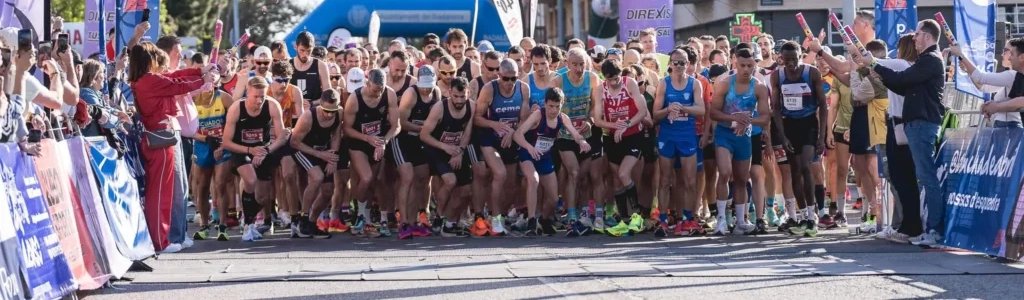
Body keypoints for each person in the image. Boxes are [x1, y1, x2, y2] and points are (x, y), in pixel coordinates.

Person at [861, 20, 947, 246]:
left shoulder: (930, 60)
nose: (914, 38)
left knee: (927, 178)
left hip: (922, 124)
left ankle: (935, 231)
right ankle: (922, 228)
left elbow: (903, 79)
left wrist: (876, 65)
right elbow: (903, 86)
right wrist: (881, 75)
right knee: (920, 177)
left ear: (927, 37)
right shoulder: (924, 61)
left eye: (917, 34)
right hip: (915, 124)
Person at [128, 42, 217, 252]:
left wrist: (200, 72)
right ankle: (160, 240)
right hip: (159, 138)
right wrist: (203, 79)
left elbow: (176, 78)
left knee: (163, 191)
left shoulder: (146, 79)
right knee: (159, 193)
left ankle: (163, 237)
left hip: (160, 136)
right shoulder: (149, 80)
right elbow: (179, 84)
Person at [220, 76, 290, 242]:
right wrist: (250, 150)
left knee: (263, 197)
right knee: (250, 180)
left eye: (262, 96)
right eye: (255, 97)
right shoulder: (237, 108)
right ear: (247, 93)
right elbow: (226, 142)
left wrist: (265, 151)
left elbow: (281, 137)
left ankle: (250, 220)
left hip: (263, 148)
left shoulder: (272, 105)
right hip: (241, 148)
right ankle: (247, 225)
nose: (259, 101)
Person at [514, 87, 590, 236]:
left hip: (544, 156)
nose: (553, 110)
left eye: (557, 106)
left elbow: (575, 134)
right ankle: (531, 221)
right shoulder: (538, 115)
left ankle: (543, 220)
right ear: (545, 103)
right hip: (528, 153)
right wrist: (529, 147)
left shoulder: (563, 118)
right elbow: (517, 135)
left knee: (554, 199)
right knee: (533, 180)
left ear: (561, 105)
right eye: (550, 106)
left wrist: (582, 142)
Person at [771, 41, 828, 237]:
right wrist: (782, 135)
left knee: (806, 166)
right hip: (789, 125)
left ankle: (813, 217)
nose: (791, 64)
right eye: (787, 60)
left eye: (794, 59)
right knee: (794, 171)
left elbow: (823, 105)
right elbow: (776, 108)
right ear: (781, 58)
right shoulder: (776, 76)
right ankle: (803, 216)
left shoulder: (812, 73)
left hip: (809, 123)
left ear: (800, 56)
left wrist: (822, 136)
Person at [592, 59, 650, 236]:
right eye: (610, 79)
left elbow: (643, 111)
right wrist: (614, 126)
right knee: (617, 179)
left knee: (625, 173)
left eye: (616, 78)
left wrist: (625, 124)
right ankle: (624, 220)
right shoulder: (601, 89)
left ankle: (637, 216)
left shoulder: (629, 83)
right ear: (604, 77)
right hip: (613, 137)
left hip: (633, 135)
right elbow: (597, 119)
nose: (614, 82)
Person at [653, 48, 705, 236]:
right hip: (667, 135)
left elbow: (701, 110)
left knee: (690, 180)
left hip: (687, 136)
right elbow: (655, 114)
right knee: (665, 180)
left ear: (688, 64)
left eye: (682, 62)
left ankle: (688, 220)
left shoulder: (695, 84)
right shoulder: (663, 84)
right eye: (675, 62)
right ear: (669, 64)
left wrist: (682, 108)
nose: (678, 66)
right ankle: (664, 221)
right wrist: (669, 109)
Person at [343, 68, 401, 237]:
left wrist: (384, 141)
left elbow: (396, 126)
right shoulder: (355, 98)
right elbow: (346, 128)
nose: (378, 94)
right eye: (375, 90)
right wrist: (366, 139)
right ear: (367, 84)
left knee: (377, 180)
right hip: (359, 140)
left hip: (378, 140)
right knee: (366, 177)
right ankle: (360, 214)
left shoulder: (389, 94)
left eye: (381, 90)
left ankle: (378, 217)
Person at [550, 48, 602, 230]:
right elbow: (551, 109)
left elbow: (596, 105)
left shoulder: (593, 78)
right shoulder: (558, 81)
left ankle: (583, 212)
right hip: (565, 135)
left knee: (584, 176)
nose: (579, 68)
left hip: (587, 134)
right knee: (573, 173)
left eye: (582, 64)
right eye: (574, 64)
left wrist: (591, 120)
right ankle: (571, 214)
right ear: (567, 64)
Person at [475, 58, 530, 230]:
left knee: (511, 183)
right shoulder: (489, 89)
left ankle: (499, 213)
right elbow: (477, 118)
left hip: (511, 138)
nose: (509, 83)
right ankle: (495, 218)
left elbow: (525, 119)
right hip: (490, 138)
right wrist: (494, 124)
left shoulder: (523, 89)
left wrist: (513, 132)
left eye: (513, 78)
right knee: (500, 174)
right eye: (505, 79)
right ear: (498, 76)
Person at [420, 77, 475, 237]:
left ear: (468, 93)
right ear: (449, 92)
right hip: (438, 149)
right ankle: (439, 216)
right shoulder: (439, 108)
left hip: (457, 149)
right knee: (450, 181)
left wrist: (460, 151)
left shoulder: (471, 106)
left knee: (467, 192)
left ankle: (450, 224)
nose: (459, 100)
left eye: (462, 96)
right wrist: (445, 147)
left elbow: (467, 132)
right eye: (456, 96)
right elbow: (424, 134)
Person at [289, 89, 344, 239]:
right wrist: (321, 155)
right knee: (317, 177)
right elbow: (294, 142)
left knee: (328, 191)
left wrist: (333, 156)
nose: (329, 115)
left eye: (332, 111)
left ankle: (312, 222)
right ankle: (303, 217)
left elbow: (336, 136)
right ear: (320, 105)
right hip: (302, 149)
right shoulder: (308, 117)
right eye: (326, 110)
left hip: (324, 151)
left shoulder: (339, 113)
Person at [395, 65, 441, 239]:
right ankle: (404, 222)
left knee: (422, 179)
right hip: (403, 140)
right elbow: (401, 122)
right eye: (423, 84)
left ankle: (414, 221)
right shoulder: (411, 94)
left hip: (420, 141)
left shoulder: (435, 93)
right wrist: (423, 128)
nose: (425, 88)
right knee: (407, 178)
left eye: (428, 85)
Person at [189, 75, 235, 241]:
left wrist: (223, 143)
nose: (212, 86)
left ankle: (222, 225)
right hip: (202, 146)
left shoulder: (223, 97)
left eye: (216, 82)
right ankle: (204, 225)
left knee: (221, 184)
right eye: (209, 81)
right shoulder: (193, 99)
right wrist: (205, 139)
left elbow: (235, 121)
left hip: (221, 146)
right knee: (202, 186)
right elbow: (186, 128)